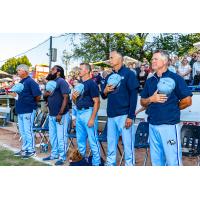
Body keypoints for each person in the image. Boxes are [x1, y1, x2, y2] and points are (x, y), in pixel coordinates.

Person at [140, 50, 192, 166]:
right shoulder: (150, 81)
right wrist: (151, 99)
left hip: (169, 126)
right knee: (156, 162)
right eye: (152, 59)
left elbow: (187, 100)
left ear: (164, 61)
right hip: (153, 125)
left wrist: (173, 108)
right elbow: (143, 102)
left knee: (173, 161)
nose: (152, 61)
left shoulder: (176, 78)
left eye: (155, 59)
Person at [101, 50, 139, 166]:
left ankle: (129, 165)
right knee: (111, 143)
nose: (110, 60)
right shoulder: (109, 76)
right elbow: (103, 95)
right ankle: (110, 163)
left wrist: (130, 116)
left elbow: (134, 96)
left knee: (127, 144)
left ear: (120, 59)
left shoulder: (129, 74)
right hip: (111, 114)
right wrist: (105, 91)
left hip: (124, 114)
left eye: (112, 57)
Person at [72, 63, 101, 166]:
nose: (79, 70)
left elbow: (97, 102)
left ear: (87, 71)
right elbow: (76, 103)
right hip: (80, 112)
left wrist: (92, 118)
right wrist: (74, 99)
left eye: (81, 68)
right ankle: (81, 162)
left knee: (93, 140)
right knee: (80, 140)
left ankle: (96, 164)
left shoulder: (92, 83)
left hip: (89, 112)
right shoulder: (80, 84)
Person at [11, 64, 41, 159]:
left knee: (28, 131)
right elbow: (21, 96)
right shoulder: (22, 81)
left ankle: (31, 150)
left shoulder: (30, 81)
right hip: (21, 110)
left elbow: (38, 96)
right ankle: (25, 149)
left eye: (19, 70)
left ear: (25, 71)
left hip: (28, 110)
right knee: (23, 131)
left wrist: (32, 104)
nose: (17, 72)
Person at [43, 65, 71, 165]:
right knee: (53, 136)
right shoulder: (52, 82)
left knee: (61, 136)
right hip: (51, 114)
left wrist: (60, 113)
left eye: (53, 69)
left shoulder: (62, 81)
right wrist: (46, 95)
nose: (51, 71)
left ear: (58, 72)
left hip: (61, 115)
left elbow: (66, 98)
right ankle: (54, 154)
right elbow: (46, 96)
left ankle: (62, 157)